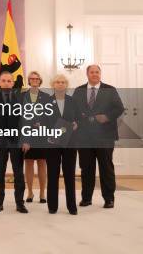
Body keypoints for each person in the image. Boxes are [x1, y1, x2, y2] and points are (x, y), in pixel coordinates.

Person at [72, 64, 124, 209]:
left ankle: (109, 199)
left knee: (106, 168)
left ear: (100, 74)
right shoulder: (78, 91)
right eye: (92, 72)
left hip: (105, 136)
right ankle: (86, 198)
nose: (95, 74)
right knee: (86, 168)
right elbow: (73, 110)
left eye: (97, 72)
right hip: (84, 137)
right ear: (87, 74)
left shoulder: (110, 90)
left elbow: (119, 108)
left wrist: (107, 117)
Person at [0, 71, 29, 213]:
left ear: (12, 83)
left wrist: (26, 140)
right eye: (3, 80)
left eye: (9, 81)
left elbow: (25, 121)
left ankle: (20, 203)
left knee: (18, 173)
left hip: (16, 141)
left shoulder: (21, 98)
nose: (6, 83)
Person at [45, 74, 79, 215]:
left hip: (70, 142)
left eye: (63, 82)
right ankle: (52, 206)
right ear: (53, 84)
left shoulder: (73, 101)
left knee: (69, 174)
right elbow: (42, 120)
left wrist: (77, 124)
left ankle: (72, 206)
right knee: (52, 174)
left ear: (66, 85)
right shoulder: (46, 101)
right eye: (57, 82)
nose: (60, 84)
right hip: (52, 143)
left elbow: (79, 118)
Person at [22, 71, 48, 204]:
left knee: (42, 163)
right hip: (27, 135)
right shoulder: (22, 96)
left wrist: (41, 124)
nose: (34, 80)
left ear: (40, 80)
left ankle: (43, 192)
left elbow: (50, 117)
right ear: (29, 80)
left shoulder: (46, 97)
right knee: (29, 163)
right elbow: (19, 117)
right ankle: (30, 191)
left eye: (36, 78)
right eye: (32, 78)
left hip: (42, 135)